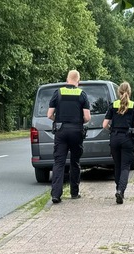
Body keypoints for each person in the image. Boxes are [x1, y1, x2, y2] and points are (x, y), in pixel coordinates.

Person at [47, 70, 91, 203]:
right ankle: (74, 192)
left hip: (61, 131)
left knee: (59, 162)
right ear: (78, 80)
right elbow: (87, 117)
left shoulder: (58, 93)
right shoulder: (82, 94)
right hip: (76, 131)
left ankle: (56, 195)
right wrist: (77, 122)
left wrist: (58, 120)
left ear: (67, 79)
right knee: (75, 162)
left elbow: (49, 114)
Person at [102, 81, 134, 204]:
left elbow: (104, 125)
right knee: (125, 167)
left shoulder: (113, 105)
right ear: (129, 92)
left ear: (119, 92)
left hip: (114, 138)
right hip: (127, 139)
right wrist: (133, 129)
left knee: (117, 166)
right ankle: (120, 190)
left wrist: (112, 130)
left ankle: (118, 189)